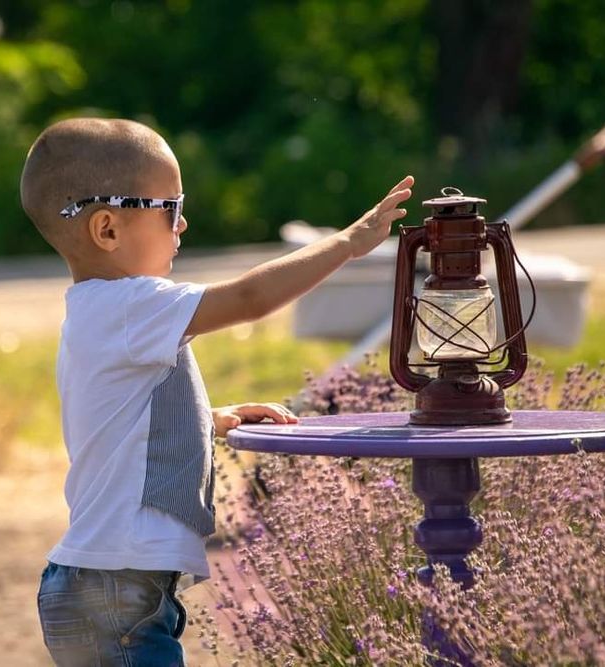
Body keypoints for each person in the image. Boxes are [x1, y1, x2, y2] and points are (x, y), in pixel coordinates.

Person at [21, 117, 413, 666]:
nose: (182, 225)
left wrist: (211, 418)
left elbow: (122, 426)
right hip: (114, 594)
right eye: (170, 209)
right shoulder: (131, 304)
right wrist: (346, 244)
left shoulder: (102, 313)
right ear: (107, 229)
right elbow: (251, 297)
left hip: (105, 587)